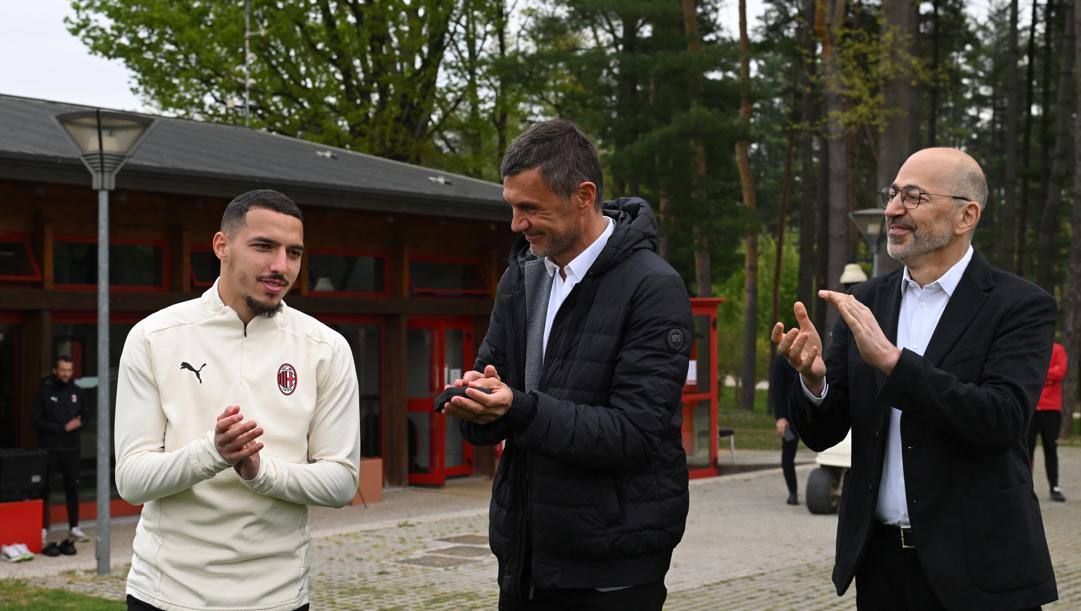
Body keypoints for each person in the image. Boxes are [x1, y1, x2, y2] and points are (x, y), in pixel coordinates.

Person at [772, 147, 1058, 610]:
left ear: (966, 215)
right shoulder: (866, 300)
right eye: (892, 194)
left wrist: (893, 363)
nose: (892, 209)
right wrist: (813, 382)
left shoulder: (1020, 305)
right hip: (881, 568)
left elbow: (1001, 421)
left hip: (980, 572)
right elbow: (826, 432)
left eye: (913, 196)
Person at [443, 119, 692, 610]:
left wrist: (516, 409)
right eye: (512, 207)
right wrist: (473, 401)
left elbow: (636, 432)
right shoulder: (522, 277)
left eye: (530, 208)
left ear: (583, 195)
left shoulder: (653, 288)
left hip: (611, 571)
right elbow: (496, 393)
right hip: (527, 559)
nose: (516, 224)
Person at [114, 190, 361, 611]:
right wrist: (213, 453)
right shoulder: (154, 336)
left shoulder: (326, 348)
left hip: (278, 597)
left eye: (294, 252)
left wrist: (258, 470)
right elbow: (132, 481)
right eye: (264, 246)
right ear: (221, 246)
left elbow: (341, 482)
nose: (281, 266)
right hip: (166, 594)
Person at [31, 355, 88, 549]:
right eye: (63, 370)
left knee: (72, 488)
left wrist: (79, 423)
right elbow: (37, 422)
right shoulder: (44, 393)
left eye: (69, 370)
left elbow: (86, 417)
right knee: (44, 488)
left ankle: (74, 527)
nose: (66, 374)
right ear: (55, 371)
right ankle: (42, 528)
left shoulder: (78, 392)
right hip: (49, 449)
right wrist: (63, 427)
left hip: (72, 449)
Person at [1029, 340, 1067, 502]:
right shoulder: (1033, 347)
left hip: (1051, 408)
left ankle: (1054, 486)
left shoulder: (1058, 349)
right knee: (1026, 449)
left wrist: (1040, 374)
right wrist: (1047, 377)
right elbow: (1026, 371)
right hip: (1031, 407)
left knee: (1050, 447)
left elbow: (1060, 372)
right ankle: (1026, 485)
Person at [770, 353, 799, 505]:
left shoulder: (809, 359)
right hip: (789, 420)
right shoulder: (781, 361)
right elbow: (777, 391)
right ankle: (793, 492)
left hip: (808, 416)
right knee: (788, 455)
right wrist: (780, 418)